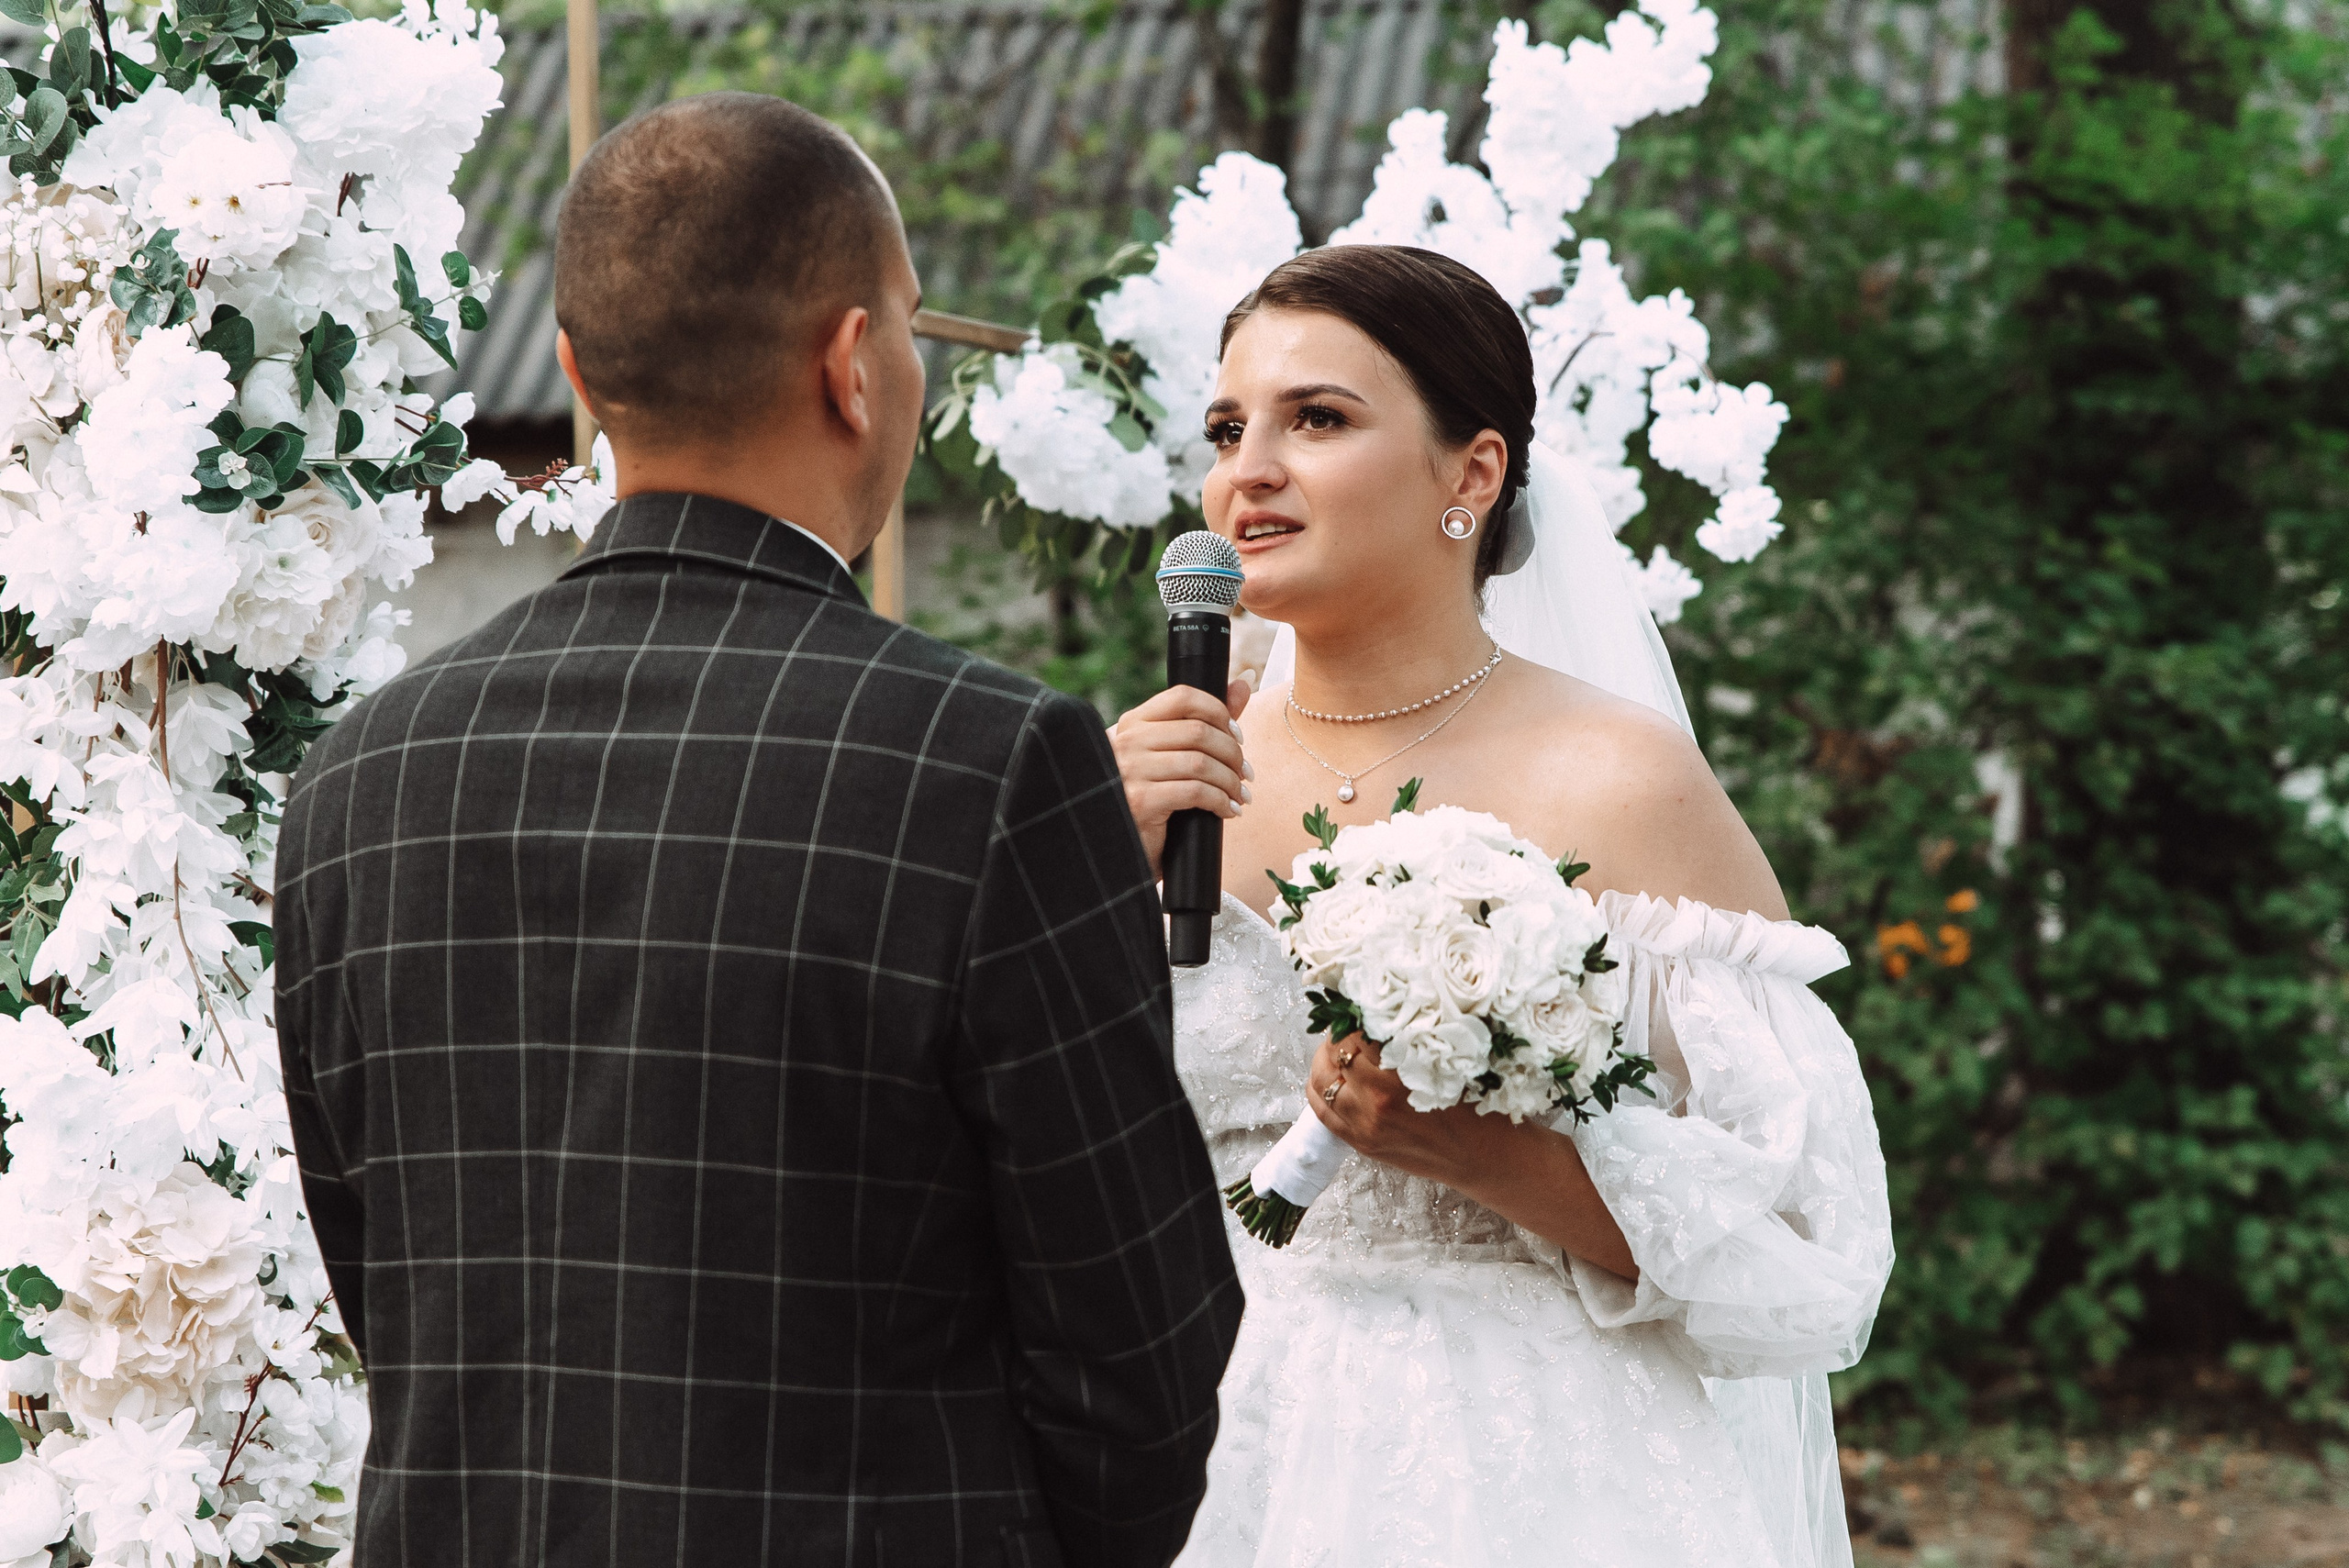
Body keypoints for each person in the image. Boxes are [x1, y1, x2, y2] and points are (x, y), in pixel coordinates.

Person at [273, 94, 1241, 1568]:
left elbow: (387, 1278)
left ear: (582, 375)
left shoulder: (361, 776)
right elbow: (1142, 1359)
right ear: (854, 364)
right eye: (910, 327)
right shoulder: (984, 759)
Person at [1109, 244, 1895, 1568]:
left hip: (1524, 1467)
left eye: (1318, 418)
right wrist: (1092, 861)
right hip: (1195, 1441)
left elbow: (1806, 1250)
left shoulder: (1616, 776)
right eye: (1230, 427)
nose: (1250, 468)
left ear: (1471, 474)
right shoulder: (1163, 777)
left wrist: (1488, 1156)